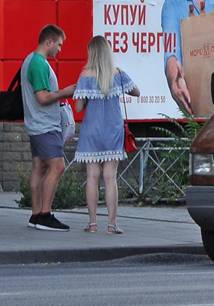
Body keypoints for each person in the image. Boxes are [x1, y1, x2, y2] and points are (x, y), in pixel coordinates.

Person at [72, 35, 139, 235]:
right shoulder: (118, 74)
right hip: (113, 130)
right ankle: (112, 224)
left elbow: (78, 107)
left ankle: (92, 223)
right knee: (110, 178)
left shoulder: (85, 75)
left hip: (91, 131)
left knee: (92, 176)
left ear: (91, 53)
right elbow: (136, 92)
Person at [22, 25, 77, 232]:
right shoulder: (39, 63)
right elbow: (43, 97)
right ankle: (45, 214)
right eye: (59, 45)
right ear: (49, 42)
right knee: (57, 166)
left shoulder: (30, 60)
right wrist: (64, 92)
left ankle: (36, 214)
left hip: (36, 124)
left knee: (40, 167)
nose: (60, 50)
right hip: (45, 125)